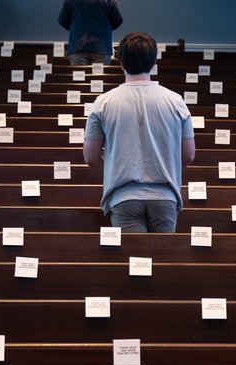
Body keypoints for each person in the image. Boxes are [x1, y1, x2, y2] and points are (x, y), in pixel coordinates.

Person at [83, 32, 195, 233]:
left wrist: (115, 173)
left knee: (134, 263)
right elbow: (188, 155)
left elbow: (90, 157)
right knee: (162, 263)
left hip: (123, 197)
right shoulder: (176, 101)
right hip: (165, 196)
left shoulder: (103, 102)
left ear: (121, 63)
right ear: (153, 62)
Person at [58, 0, 124, 66]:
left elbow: (62, 20)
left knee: (79, 80)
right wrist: (103, 29)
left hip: (77, 46)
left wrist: (77, 29)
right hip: (102, 47)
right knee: (99, 82)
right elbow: (118, 20)